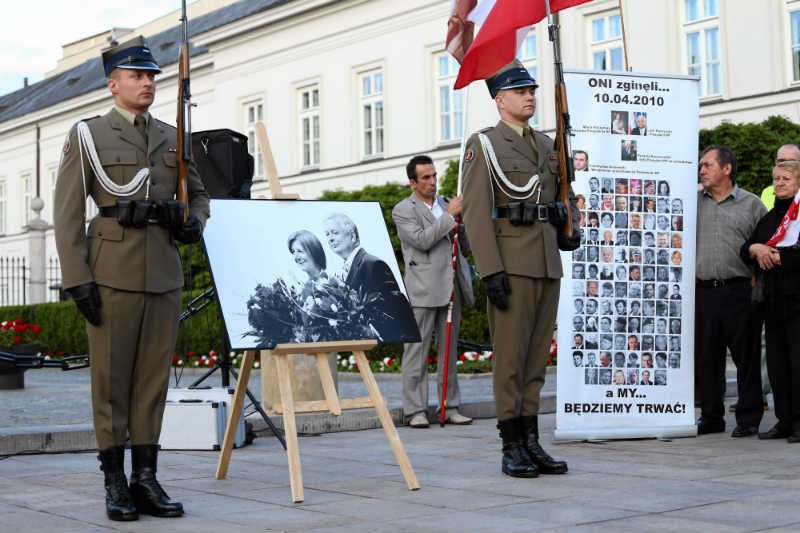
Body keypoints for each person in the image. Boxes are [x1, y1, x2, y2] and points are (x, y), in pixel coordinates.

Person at [53, 37, 210, 521]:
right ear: (112, 83)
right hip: (112, 274)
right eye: (137, 76)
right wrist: (78, 279)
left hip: (162, 274)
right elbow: (65, 213)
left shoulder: (171, 135)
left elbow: (200, 196)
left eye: (152, 76)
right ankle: (114, 479)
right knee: (111, 381)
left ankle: (146, 477)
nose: (147, 82)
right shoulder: (89, 135)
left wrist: (193, 222)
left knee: (151, 382)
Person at [461, 59, 578, 478]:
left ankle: (532, 440)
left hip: (547, 261)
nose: (530, 97)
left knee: (535, 362)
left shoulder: (547, 145)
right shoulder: (485, 145)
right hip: (511, 264)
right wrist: (490, 270)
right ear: (500, 99)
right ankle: (511, 444)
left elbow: (563, 195)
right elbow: (476, 213)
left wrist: (571, 227)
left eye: (532, 91)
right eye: (521, 91)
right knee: (510, 361)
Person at [392, 155, 475, 428]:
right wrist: (450, 216)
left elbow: (465, 244)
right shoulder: (403, 210)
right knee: (417, 351)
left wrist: (462, 222)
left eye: (434, 175)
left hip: (452, 287)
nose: (432, 182)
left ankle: (450, 406)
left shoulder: (446, 204)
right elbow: (421, 240)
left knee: (449, 352)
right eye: (425, 178)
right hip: (423, 290)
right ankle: (414, 410)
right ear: (413, 182)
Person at [695, 146, 766, 437]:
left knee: (746, 357)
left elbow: (766, 245)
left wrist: (758, 286)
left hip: (740, 291)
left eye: (708, 165)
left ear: (726, 169)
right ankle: (711, 417)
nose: (702, 170)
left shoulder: (751, 205)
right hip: (703, 292)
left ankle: (748, 418)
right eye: (701, 165)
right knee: (706, 358)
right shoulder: (692, 203)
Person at [741, 160, 800, 442]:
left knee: (798, 364)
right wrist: (755, 248)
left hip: (798, 302)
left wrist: (780, 257)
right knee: (777, 365)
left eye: (786, 178)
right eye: (776, 178)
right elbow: (748, 247)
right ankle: (784, 420)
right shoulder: (770, 216)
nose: (779, 183)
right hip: (773, 303)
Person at [323, 213, 416, 343]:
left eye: (334, 232)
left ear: (352, 236)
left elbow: (396, 306)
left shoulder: (372, 264)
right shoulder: (344, 270)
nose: (330, 239)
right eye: (327, 234)